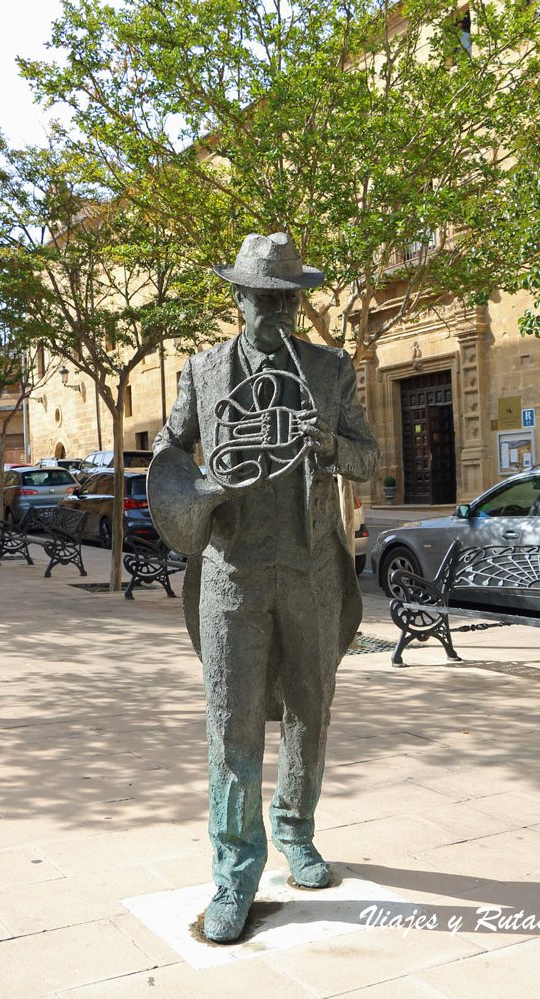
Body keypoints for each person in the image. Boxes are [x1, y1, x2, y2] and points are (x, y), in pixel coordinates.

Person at [151, 232, 379, 943]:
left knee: (311, 710)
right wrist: (200, 488)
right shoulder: (202, 371)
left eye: (287, 300)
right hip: (233, 571)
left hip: (311, 570)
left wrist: (328, 445)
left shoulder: (330, 369)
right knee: (233, 724)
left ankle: (297, 833)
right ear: (239, 296)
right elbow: (167, 452)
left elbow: (368, 459)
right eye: (263, 299)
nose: (275, 313)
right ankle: (234, 874)